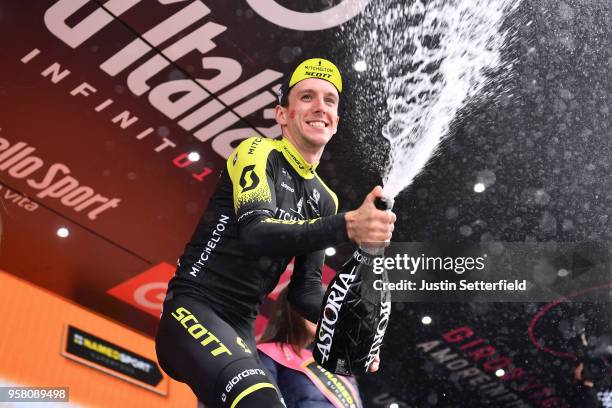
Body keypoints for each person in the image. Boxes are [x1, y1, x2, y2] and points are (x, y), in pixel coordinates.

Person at [156, 57, 396, 408]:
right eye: (307, 97)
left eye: (329, 100)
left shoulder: (325, 199)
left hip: (240, 331)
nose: (320, 107)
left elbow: (304, 291)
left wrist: (347, 330)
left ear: (336, 122)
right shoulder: (256, 151)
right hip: (192, 309)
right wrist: (347, 225)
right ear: (282, 114)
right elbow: (257, 234)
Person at [258, 287, 363, 408]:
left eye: (330, 312)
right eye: (318, 307)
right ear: (294, 308)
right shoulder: (267, 354)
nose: (324, 317)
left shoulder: (339, 365)